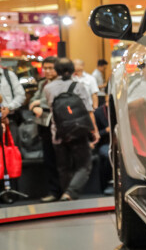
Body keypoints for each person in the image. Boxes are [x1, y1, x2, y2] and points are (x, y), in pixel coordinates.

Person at [43, 58, 99, 201]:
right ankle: (70, 193)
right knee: (84, 165)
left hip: (58, 133)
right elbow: (88, 110)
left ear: (56, 70)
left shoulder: (48, 88)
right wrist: (94, 130)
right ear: (72, 70)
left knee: (63, 168)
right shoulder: (79, 86)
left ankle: (66, 197)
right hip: (78, 131)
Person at [29, 56, 62, 201]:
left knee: (61, 159)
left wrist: (39, 103)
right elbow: (31, 101)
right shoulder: (42, 83)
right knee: (49, 159)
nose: (48, 71)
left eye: (51, 68)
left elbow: (56, 100)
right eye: (45, 68)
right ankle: (54, 191)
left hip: (60, 125)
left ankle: (64, 190)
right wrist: (35, 104)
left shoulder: (62, 82)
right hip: (44, 125)